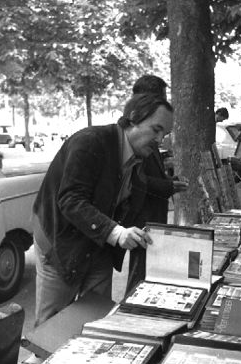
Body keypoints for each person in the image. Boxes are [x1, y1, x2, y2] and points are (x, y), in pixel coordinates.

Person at [32, 93, 173, 326]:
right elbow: (70, 200)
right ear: (134, 118)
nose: (160, 140)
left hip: (98, 244)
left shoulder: (138, 157)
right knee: (50, 330)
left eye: (165, 134)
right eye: (156, 130)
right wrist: (117, 233)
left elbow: (129, 202)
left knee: (94, 322)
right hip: (60, 242)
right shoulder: (90, 142)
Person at [127, 75, 188, 293]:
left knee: (148, 270)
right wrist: (167, 187)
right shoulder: (134, 132)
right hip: (141, 215)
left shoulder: (151, 129)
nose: (160, 138)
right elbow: (136, 179)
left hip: (152, 212)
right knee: (140, 274)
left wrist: (168, 182)